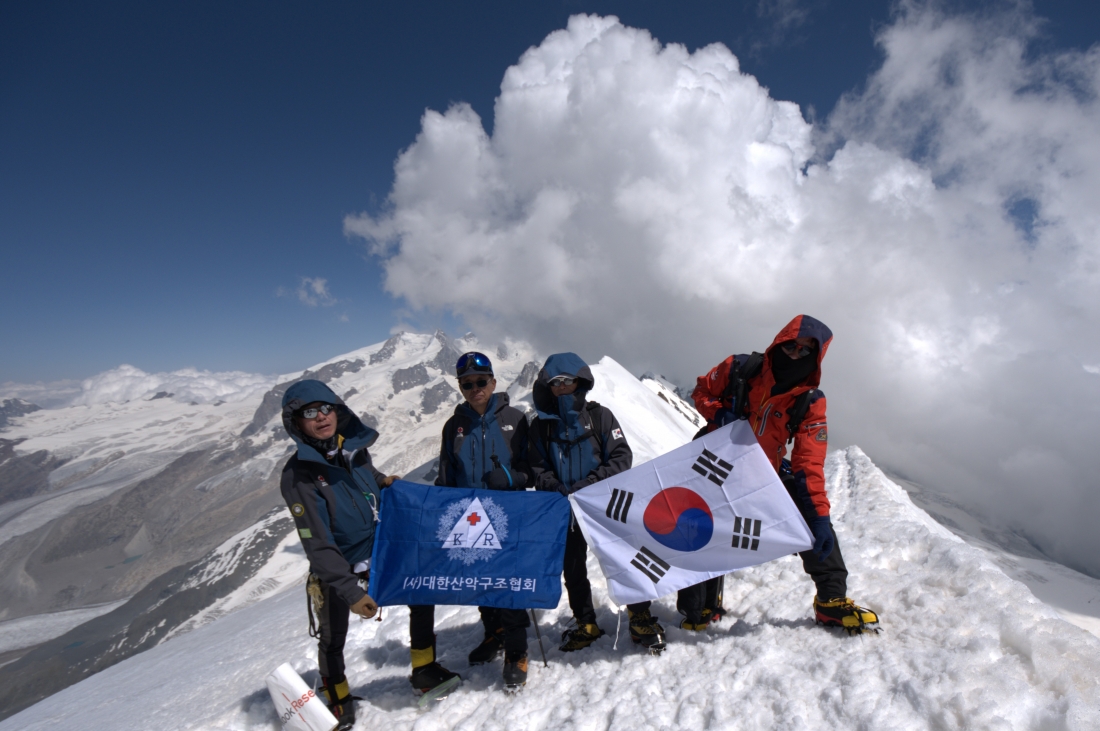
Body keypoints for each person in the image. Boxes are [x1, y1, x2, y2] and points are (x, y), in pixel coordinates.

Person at [687, 315, 880, 633]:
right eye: (791, 346)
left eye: (805, 351)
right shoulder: (740, 368)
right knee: (697, 525)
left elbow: (809, 461)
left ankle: (831, 600)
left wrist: (819, 516)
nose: (795, 354)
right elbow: (701, 391)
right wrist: (718, 413)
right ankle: (698, 608)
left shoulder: (809, 400)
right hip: (713, 461)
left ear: (815, 357)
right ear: (780, 342)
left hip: (762, 471)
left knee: (810, 517)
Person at [527, 353, 666, 653]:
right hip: (565, 508)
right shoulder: (541, 426)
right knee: (573, 568)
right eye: (555, 382)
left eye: (566, 380)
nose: (561, 387)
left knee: (624, 558)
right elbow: (537, 467)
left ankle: (640, 616)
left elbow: (621, 456)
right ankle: (585, 622)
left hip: (604, 505)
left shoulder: (600, 416)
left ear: (579, 381)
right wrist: (556, 487)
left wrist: (590, 484)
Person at [411, 351, 533, 690]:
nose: (475, 388)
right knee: (479, 578)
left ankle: (516, 651)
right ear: (460, 387)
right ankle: (495, 632)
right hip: (469, 516)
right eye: (467, 384)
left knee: (506, 583)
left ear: (493, 382)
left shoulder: (516, 420)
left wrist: (511, 478)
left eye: (481, 381)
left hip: (507, 514)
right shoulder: (454, 427)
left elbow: (532, 469)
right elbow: (447, 476)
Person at [280, 380, 397, 729]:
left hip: (377, 552)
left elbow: (366, 477)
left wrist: (383, 481)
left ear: (337, 410)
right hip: (339, 568)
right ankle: (338, 700)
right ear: (296, 422)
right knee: (333, 638)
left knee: (421, 598)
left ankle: (424, 668)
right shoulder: (298, 475)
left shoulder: (352, 448)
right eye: (310, 412)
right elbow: (317, 542)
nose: (321, 417)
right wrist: (351, 591)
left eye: (326, 408)